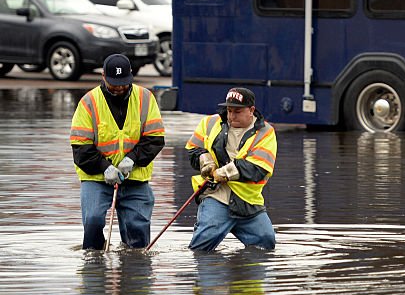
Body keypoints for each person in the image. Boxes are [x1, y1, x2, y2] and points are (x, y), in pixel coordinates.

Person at [70, 54, 165, 250]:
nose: (120, 88)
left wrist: (132, 159)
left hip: (135, 177)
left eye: (124, 83)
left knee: (137, 231)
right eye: (114, 84)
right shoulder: (88, 103)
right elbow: (80, 148)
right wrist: (105, 167)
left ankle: (134, 269)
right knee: (93, 220)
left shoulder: (146, 98)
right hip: (96, 177)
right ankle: (94, 259)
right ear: (103, 76)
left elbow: (155, 139)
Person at [186, 87, 277, 251]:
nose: (231, 116)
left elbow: (257, 168)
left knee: (266, 242)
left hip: (248, 202)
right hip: (216, 196)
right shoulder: (210, 123)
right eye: (229, 110)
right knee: (201, 249)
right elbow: (193, 149)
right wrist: (204, 161)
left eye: (237, 112)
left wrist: (223, 173)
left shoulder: (265, 133)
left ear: (251, 110)